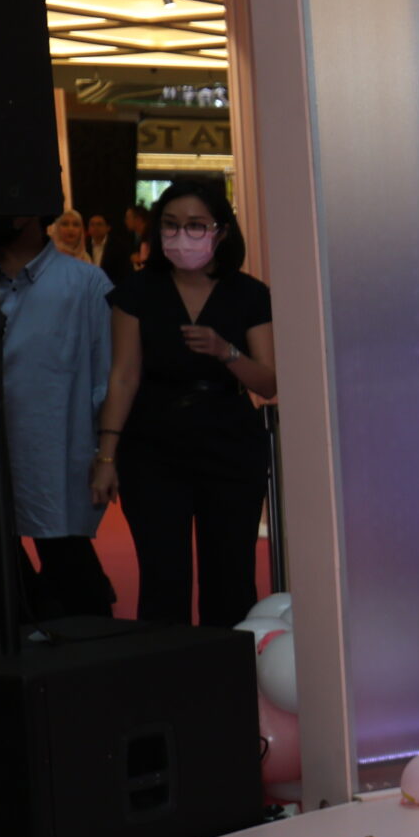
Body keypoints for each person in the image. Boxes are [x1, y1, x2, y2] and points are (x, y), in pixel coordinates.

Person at [97, 180, 276, 628]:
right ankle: (167, 666)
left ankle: (227, 664)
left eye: (196, 225)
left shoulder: (249, 293)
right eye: (171, 226)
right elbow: (123, 375)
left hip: (230, 441)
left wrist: (225, 352)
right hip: (152, 443)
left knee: (230, 575)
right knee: (162, 575)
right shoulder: (138, 291)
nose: (182, 236)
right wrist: (106, 455)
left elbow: (269, 381)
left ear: (221, 231)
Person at [0, 205, 117, 630]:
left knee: (72, 575)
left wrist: (106, 453)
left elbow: (107, 375)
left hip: (53, 449)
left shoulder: (85, 284)